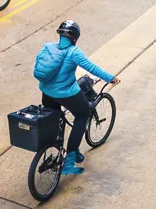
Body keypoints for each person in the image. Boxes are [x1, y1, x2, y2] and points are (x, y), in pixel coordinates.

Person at [34, 20, 120, 175]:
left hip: (46, 92)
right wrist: (111, 78)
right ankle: (69, 162)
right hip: (65, 93)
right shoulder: (74, 52)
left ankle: (56, 145)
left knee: (55, 118)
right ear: (75, 38)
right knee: (82, 114)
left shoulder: (50, 47)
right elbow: (92, 68)